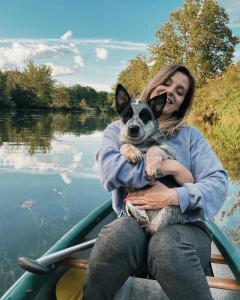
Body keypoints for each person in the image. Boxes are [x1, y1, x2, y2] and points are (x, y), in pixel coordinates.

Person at [83, 64, 228, 300]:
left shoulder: (191, 137)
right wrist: (169, 167)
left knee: (167, 246)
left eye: (180, 91)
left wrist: (175, 196)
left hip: (185, 227)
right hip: (135, 220)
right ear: (155, 84)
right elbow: (110, 171)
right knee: (117, 235)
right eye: (167, 83)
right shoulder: (117, 130)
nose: (171, 92)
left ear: (182, 103)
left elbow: (218, 184)